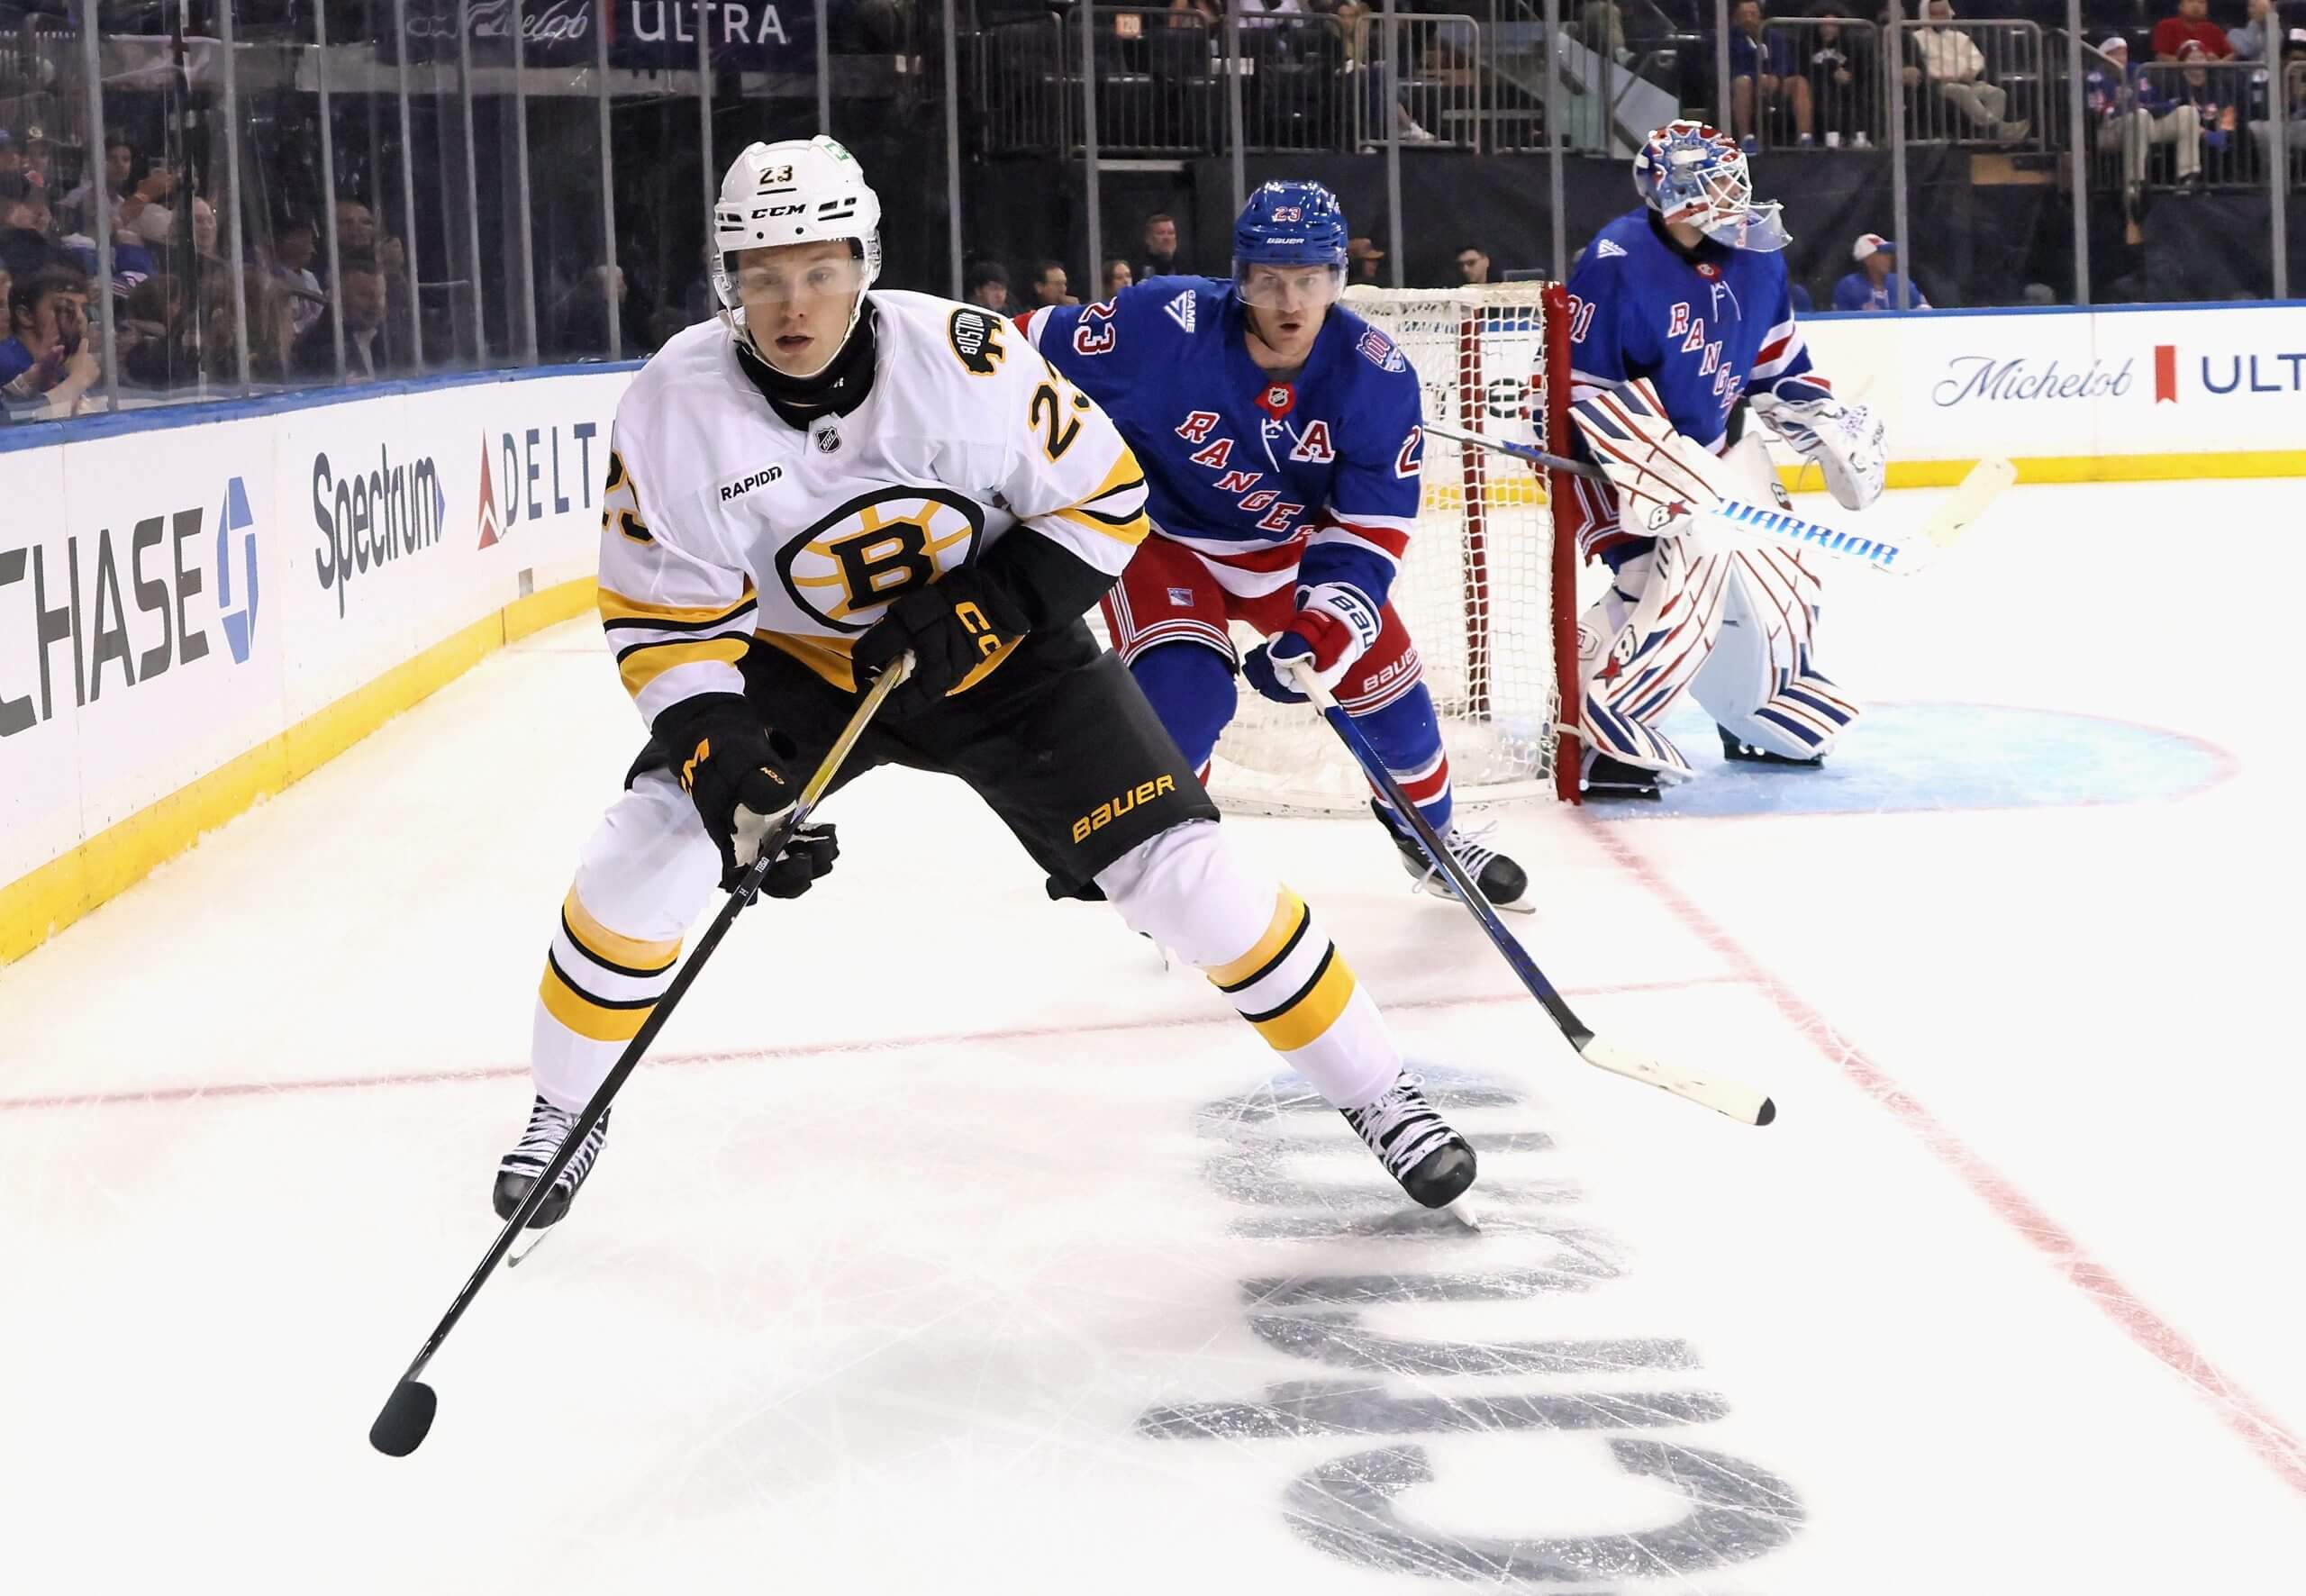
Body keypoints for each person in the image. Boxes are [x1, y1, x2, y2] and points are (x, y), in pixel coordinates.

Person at [493, 138, 1479, 1238]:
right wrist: (719, 749)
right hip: (806, 662)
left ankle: (1380, 1095)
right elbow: (665, 609)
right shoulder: (674, 404)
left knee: (1189, 877)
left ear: (863, 263)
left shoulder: (964, 359)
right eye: (763, 276)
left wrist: (992, 604)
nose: (793, 302)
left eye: (819, 270)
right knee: (649, 845)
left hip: (1007, 658)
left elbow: (1106, 499)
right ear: (728, 283)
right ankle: (563, 1111)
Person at [1020, 181, 1533, 910]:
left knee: (1392, 699)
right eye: (1269, 280)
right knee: (1184, 695)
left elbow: (1369, 530)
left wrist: (1325, 629)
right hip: (1159, 538)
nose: (1290, 304)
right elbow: (1011, 347)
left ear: (1338, 278)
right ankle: (1154, 865)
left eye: (1310, 280)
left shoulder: (1377, 377)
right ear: (1240, 277)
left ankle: (1432, 841)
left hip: (1284, 554)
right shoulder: (1162, 323)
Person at [1558, 121, 1885, 798]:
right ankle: (1587, 726)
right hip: (1609, 454)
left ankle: (1756, 706)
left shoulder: (1760, 258)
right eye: (1718, 184)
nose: (1738, 195)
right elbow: (1581, 389)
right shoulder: (1615, 261)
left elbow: (1776, 363)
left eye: (1738, 179)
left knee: (1782, 576)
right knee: (1670, 575)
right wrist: (1654, 468)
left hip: (1712, 449)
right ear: (1672, 193)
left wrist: (1819, 425)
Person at [2091, 38, 2203, 193]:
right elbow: (2097, 113)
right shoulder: (2095, 78)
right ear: (2103, 56)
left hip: (2143, 123)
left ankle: (2187, 176)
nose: (2120, 59)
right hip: (2110, 130)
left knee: (2188, 113)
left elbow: (2149, 100)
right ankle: (2134, 183)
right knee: (2140, 115)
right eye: (2114, 54)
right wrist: (2137, 107)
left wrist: (2149, 106)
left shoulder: (2136, 70)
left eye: (2123, 54)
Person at [1907, 0, 2029, 143]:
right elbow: (1922, 66)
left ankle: (1993, 136)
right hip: (1939, 86)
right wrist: (1947, 77)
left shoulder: (1960, 37)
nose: (1940, 18)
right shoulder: (1916, 38)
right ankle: (1999, 130)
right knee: (1962, 90)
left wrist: (1971, 71)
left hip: (1968, 81)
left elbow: (1976, 58)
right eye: (1935, 14)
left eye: (1943, 14)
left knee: (1997, 93)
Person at [1729, 0, 1814, 147]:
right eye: (1744, 15)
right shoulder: (1729, 39)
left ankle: (1805, 136)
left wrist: (1776, 78)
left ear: (1760, 17)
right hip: (1745, 83)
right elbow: (1733, 67)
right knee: (1743, 82)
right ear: (1736, 18)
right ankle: (1746, 139)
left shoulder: (1774, 37)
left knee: (1800, 82)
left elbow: (1786, 62)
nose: (1748, 19)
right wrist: (1757, 78)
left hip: (1774, 82)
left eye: (1752, 14)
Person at [1832, 232, 1929, 309]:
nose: (1888, 258)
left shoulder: (1901, 282)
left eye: (1888, 254)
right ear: (1868, 260)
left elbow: (1924, 313)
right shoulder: (1848, 286)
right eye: (1882, 254)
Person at [2152, 0, 2230, 62]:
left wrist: (2220, 63)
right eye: (2190, 1)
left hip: (2211, 77)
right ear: (2180, 6)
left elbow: (2231, 53)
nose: (2196, 6)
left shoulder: (2214, 30)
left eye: (2201, 2)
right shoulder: (2165, 26)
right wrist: (2192, 63)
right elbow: (2160, 56)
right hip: (2175, 77)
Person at [1136, 212, 1179, 280]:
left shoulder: (1186, 268)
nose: (1167, 238)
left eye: (1171, 233)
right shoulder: (1136, 269)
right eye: (1161, 233)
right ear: (1148, 238)